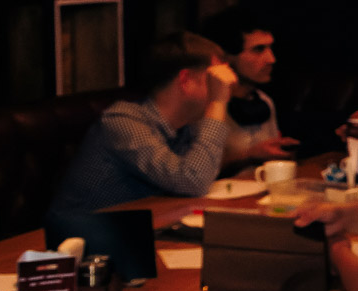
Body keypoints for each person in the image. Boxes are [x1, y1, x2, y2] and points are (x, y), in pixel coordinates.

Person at [49, 33, 235, 215]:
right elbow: (193, 180)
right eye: (215, 80)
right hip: (81, 231)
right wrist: (217, 102)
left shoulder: (186, 126)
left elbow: (203, 174)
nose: (226, 88)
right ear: (185, 80)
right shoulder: (123, 121)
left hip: (144, 226)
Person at [200, 7, 298, 168]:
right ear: (225, 56)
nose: (271, 59)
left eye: (270, 48)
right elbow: (192, 172)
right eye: (258, 49)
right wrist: (248, 156)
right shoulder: (204, 107)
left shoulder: (265, 101)